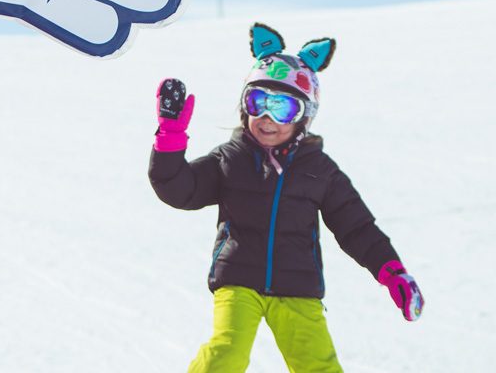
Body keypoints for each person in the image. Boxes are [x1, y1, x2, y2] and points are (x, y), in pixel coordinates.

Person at [148, 23, 423, 373]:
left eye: (283, 109)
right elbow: (178, 188)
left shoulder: (320, 170)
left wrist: (392, 271)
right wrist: (170, 137)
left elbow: (357, 227)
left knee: (318, 366)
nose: (267, 119)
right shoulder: (230, 158)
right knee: (226, 353)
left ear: (304, 117)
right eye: (258, 102)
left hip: (298, 286)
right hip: (238, 280)